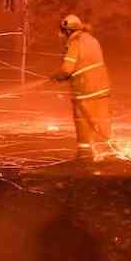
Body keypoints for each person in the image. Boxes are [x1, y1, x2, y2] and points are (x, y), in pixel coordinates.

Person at [50, 14, 112, 160]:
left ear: (67, 30)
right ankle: (110, 150)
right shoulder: (92, 40)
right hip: (102, 87)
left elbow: (67, 69)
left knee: (82, 120)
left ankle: (84, 153)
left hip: (85, 89)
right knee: (102, 118)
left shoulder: (75, 43)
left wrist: (58, 76)